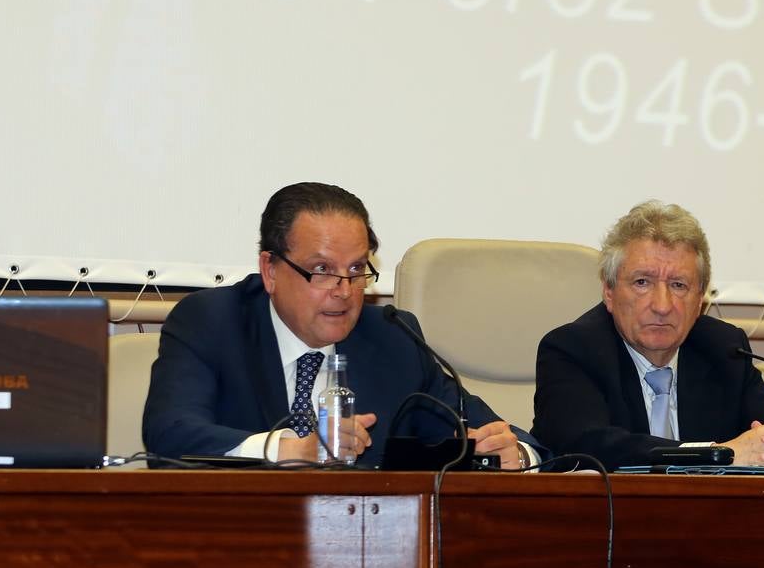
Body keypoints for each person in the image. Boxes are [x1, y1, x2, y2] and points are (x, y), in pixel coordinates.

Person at [143, 182, 541, 469]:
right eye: (321, 270)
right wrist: (291, 450)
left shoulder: (391, 336)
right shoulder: (212, 321)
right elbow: (171, 434)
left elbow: (496, 431)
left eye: (355, 269)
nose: (344, 290)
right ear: (270, 270)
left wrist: (516, 454)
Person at [531, 200, 764, 468]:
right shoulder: (572, 350)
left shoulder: (725, 350)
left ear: (700, 298)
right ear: (609, 291)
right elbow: (587, 446)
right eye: (642, 282)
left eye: (678, 285)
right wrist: (717, 454)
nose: (662, 306)